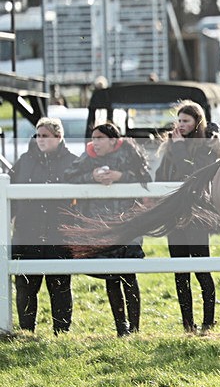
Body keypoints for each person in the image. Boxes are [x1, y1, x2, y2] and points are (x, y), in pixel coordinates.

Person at [65, 123, 151, 336]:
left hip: (129, 223)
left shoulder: (130, 152)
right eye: (93, 137)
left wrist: (120, 177)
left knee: (129, 276)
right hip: (101, 224)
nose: (95, 141)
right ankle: (121, 328)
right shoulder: (88, 157)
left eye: (100, 138)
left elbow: (145, 178)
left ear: (112, 139)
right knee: (111, 277)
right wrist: (91, 177)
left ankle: (136, 327)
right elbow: (69, 176)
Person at [156, 101, 220, 334]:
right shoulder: (170, 145)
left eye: (186, 121)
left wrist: (177, 148)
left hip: (197, 215)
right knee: (180, 272)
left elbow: (191, 172)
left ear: (197, 122)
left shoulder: (205, 146)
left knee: (201, 269)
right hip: (174, 216)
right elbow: (160, 176)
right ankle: (187, 324)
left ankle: (208, 322)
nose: (181, 125)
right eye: (179, 120)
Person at [10, 117, 78, 335]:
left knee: (59, 285)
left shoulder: (73, 162)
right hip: (26, 233)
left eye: (45, 136)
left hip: (59, 233)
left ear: (59, 137)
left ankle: (62, 331)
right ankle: (26, 332)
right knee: (25, 286)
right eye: (38, 135)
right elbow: (10, 195)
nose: (40, 140)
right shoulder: (24, 161)